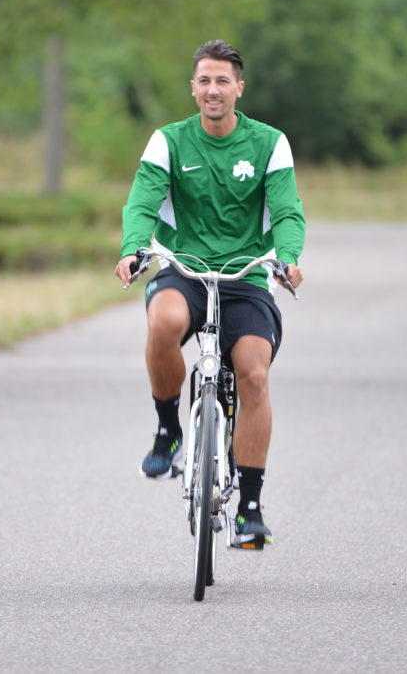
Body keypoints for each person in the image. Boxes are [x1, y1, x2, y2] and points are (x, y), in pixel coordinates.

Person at [114, 40, 306, 549]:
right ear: (193, 88)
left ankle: (250, 509)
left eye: (223, 80)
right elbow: (142, 203)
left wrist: (287, 257)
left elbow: (287, 211)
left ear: (239, 88)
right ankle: (168, 433)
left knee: (254, 375)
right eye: (204, 80)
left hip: (246, 279)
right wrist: (135, 249)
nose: (213, 89)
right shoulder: (168, 141)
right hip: (185, 270)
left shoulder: (269, 143)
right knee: (162, 322)